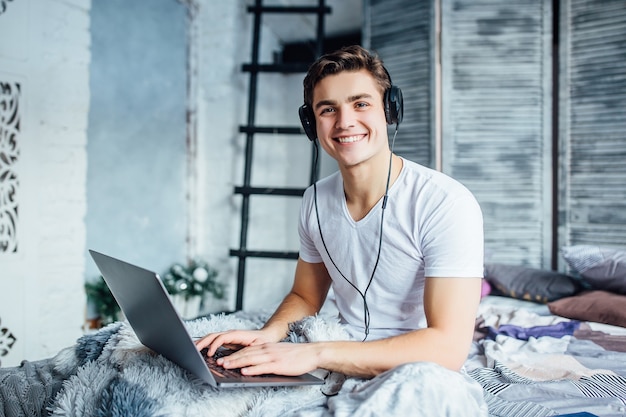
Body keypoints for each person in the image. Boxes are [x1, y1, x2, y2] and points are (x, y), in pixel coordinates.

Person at [196, 45, 484, 381]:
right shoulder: (315, 200)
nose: (345, 122)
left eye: (361, 104)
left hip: (418, 371)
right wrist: (268, 334)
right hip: (339, 354)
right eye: (328, 110)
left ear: (390, 110)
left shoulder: (445, 203)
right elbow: (305, 295)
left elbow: (447, 347)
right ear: (311, 123)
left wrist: (315, 353)